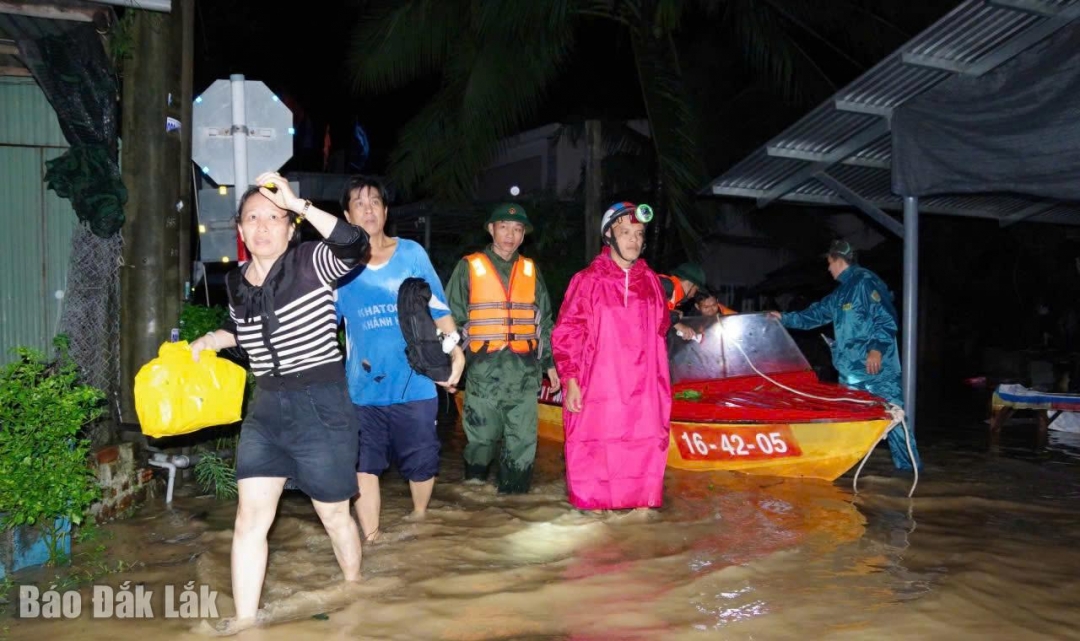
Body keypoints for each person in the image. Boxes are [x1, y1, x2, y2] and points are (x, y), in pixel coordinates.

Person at [188, 171, 369, 633]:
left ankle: (355, 592)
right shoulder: (237, 282)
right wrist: (213, 337)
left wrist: (300, 203)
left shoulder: (313, 262)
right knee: (250, 516)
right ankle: (245, 622)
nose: (263, 225)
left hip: (321, 404)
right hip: (266, 407)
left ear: (290, 228)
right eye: (253, 217)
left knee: (333, 513)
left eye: (274, 217)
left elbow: (355, 245)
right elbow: (242, 333)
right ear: (241, 231)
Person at [334, 176, 465, 544]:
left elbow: (438, 305)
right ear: (347, 215)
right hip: (362, 390)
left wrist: (455, 349)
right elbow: (324, 322)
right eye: (359, 203)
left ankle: (420, 522)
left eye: (375, 201)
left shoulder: (411, 254)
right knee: (364, 465)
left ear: (386, 210)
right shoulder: (338, 267)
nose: (369, 209)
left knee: (422, 460)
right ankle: (372, 539)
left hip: (416, 381)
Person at [551, 201, 671, 510]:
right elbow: (567, 332)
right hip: (600, 385)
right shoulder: (588, 280)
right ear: (609, 236)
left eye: (639, 233)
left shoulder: (652, 283)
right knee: (595, 451)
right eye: (625, 232)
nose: (633, 240)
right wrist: (571, 379)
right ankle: (594, 518)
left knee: (644, 448)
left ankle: (641, 516)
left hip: (643, 389)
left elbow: (660, 330)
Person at [768, 240, 922, 472]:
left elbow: (886, 318)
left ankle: (910, 471)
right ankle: (841, 469)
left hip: (876, 370)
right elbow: (816, 314)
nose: (828, 269)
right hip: (850, 371)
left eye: (829, 263)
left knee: (894, 420)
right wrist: (784, 318)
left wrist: (876, 349)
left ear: (838, 260)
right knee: (848, 422)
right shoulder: (841, 292)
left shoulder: (865, 282)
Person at [445, 203, 560, 493]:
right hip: (483, 374)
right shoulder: (469, 267)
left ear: (523, 236)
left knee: (522, 445)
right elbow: (449, 319)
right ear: (491, 229)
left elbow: (544, 321)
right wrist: (450, 366)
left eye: (518, 229)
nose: (511, 234)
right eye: (504, 227)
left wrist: (549, 364)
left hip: (524, 375)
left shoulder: (531, 270)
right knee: (481, 442)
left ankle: (513, 504)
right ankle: (474, 500)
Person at [660, 262, 707, 341]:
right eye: (696, 290)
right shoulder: (666, 286)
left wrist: (672, 314)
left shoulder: (673, 295)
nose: (693, 295)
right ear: (691, 284)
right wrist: (678, 324)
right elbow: (648, 311)